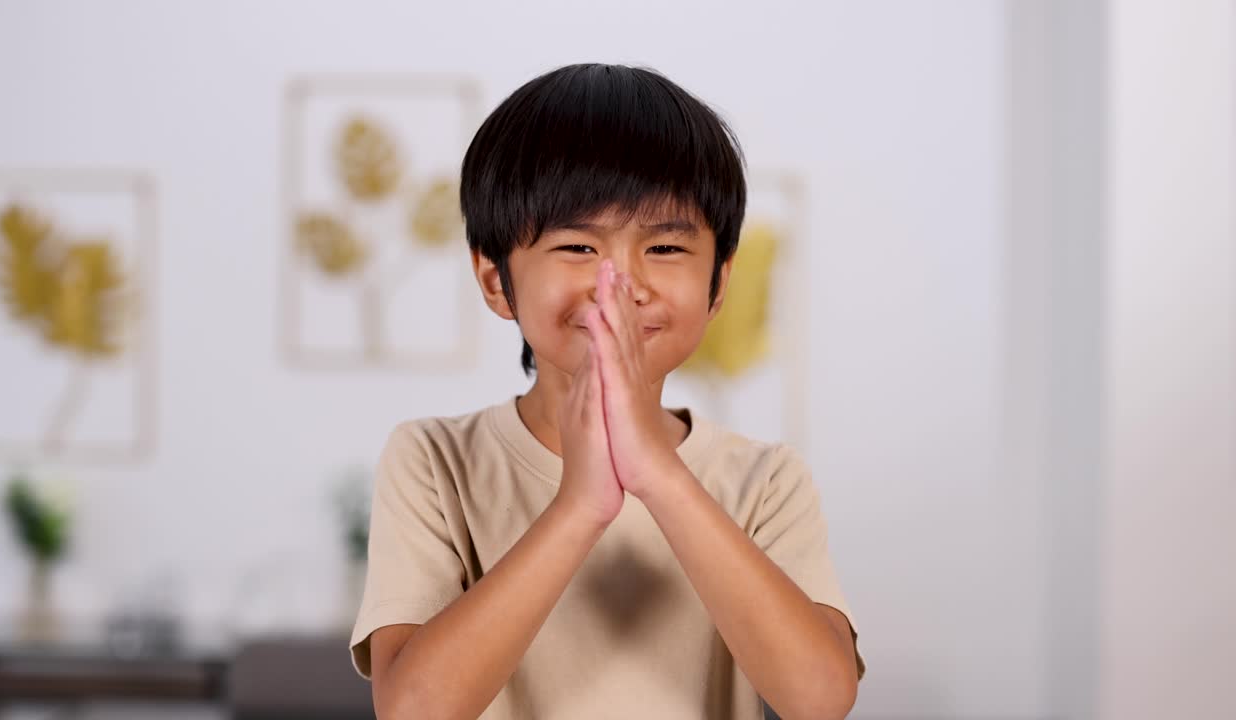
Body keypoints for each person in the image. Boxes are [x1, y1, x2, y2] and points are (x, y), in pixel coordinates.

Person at [349, 63, 865, 720]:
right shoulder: (433, 459)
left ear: (719, 283)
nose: (621, 285)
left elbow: (820, 698)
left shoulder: (765, 479)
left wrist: (658, 473)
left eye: (668, 248)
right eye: (576, 246)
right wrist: (579, 508)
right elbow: (413, 709)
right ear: (495, 280)